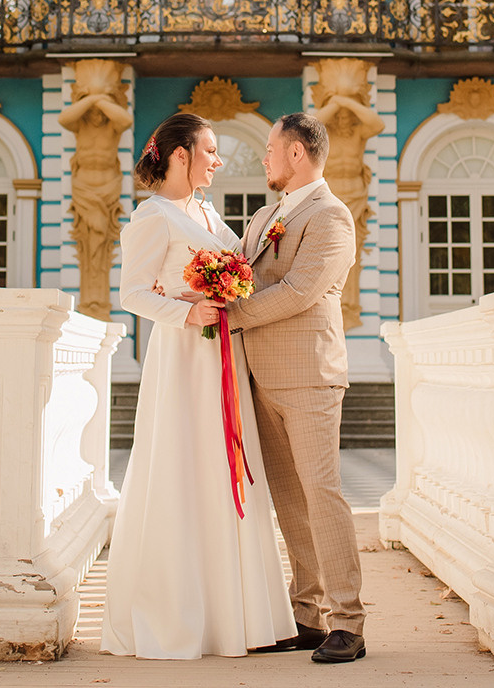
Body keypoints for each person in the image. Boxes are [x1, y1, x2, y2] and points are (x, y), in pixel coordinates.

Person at [100, 113, 297, 659]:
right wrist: (187, 314)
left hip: (222, 350)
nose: (217, 159)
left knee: (225, 466)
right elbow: (133, 294)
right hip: (184, 356)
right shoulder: (152, 216)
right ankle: (178, 616)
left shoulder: (207, 211)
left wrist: (222, 292)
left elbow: (239, 269)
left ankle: (237, 620)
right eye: (208, 151)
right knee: (184, 468)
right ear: (180, 155)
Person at [188, 112, 367, 664]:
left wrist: (227, 316)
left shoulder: (332, 217)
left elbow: (299, 291)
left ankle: (350, 623)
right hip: (258, 378)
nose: (262, 158)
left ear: (296, 153)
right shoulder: (266, 215)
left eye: (269, 148)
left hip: (310, 376)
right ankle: (308, 614)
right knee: (289, 500)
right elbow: (240, 270)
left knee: (322, 492)